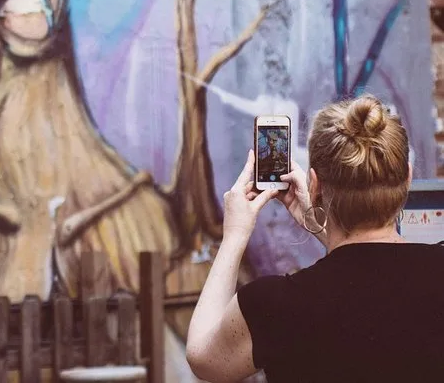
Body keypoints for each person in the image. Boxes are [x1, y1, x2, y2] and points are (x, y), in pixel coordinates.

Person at [186, 95, 444, 383]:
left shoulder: (275, 305)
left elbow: (202, 357)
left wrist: (235, 235)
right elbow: (368, 276)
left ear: (315, 184)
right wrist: (321, 227)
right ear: (407, 178)